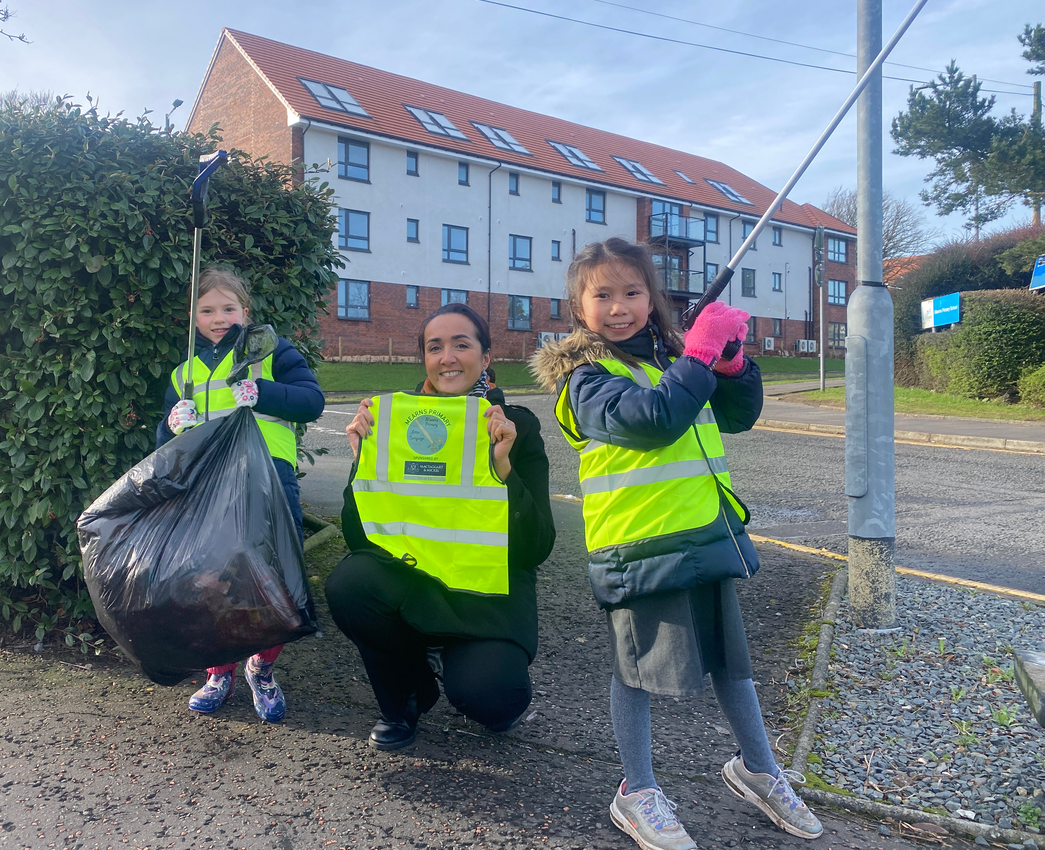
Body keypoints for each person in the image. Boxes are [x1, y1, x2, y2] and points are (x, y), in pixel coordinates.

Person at [530, 237, 822, 850]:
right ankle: (635, 790)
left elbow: (738, 415)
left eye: (633, 292)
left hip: (704, 536)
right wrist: (699, 355)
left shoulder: (671, 362)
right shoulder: (584, 380)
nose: (619, 307)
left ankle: (760, 770)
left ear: (653, 299)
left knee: (729, 662)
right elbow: (652, 421)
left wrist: (733, 363)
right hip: (636, 551)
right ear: (579, 310)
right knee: (635, 673)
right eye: (602, 295)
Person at [326, 302, 555, 750]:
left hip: (488, 598)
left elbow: (536, 546)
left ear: (486, 358)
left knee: (491, 698)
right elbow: (360, 539)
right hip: (416, 584)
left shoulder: (518, 428)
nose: (447, 357)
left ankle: (474, 673)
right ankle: (408, 696)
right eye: (435, 347)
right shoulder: (390, 426)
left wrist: (504, 468)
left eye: (461, 344)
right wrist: (362, 465)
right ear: (425, 359)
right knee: (350, 582)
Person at [158, 268, 325, 722]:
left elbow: (312, 401)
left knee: (269, 579)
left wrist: (264, 393)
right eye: (207, 310)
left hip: (268, 480)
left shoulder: (272, 352)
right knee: (210, 579)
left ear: (245, 312)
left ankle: (262, 668)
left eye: (228, 308)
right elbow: (164, 446)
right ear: (194, 318)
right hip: (207, 493)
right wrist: (172, 424)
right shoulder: (183, 374)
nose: (218, 318)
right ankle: (219, 671)